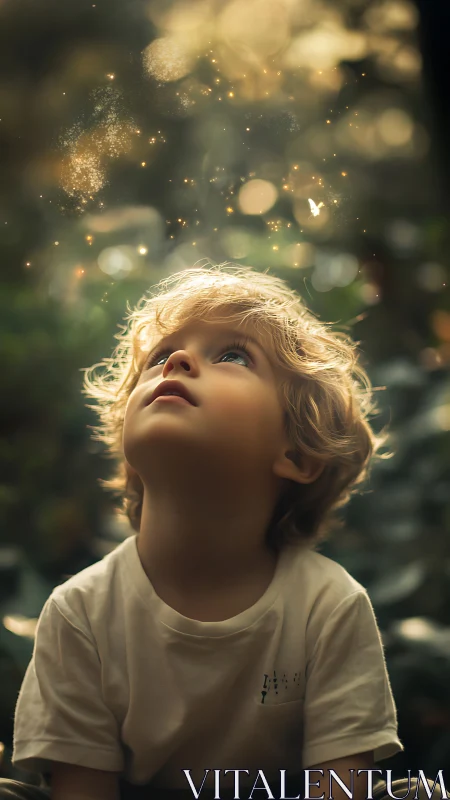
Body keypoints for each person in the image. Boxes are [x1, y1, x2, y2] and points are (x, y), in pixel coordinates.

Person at [3, 263, 446, 800]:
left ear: (296, 453)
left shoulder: (328, 607)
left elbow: (338, 789)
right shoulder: (80, 615)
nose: (178, 360)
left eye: (233, 355)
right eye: (160, 357)